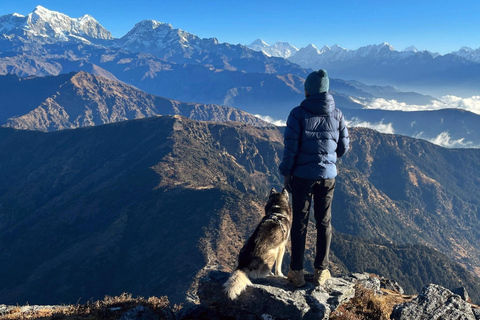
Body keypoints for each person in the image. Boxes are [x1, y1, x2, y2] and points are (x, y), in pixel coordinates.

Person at [279, 69, 349, 287]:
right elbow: (344, 147)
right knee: (324, 222)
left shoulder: (297, 114)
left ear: (308, 90)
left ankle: (296, 273)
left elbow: (290, 149)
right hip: (328, 177)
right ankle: (322, 271)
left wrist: (286, 173)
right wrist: (328, 159)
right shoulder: (337, 114)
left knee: (299, 223)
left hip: (301, 177)